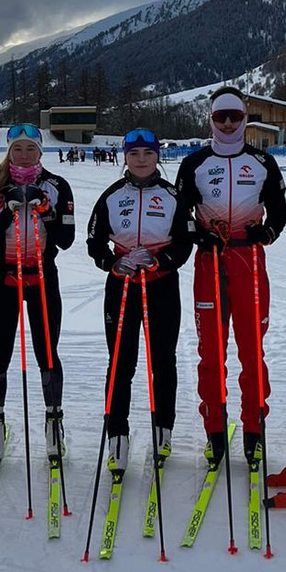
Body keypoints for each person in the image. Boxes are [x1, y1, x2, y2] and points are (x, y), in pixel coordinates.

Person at [174, 87, 286, 467]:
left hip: (248, 260)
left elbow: (280, 212)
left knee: (252, 350)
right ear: (210, 119)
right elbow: (180, 215)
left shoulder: (262, 162)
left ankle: (254, 428)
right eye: (220, 116)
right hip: (210, 261)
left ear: (244, 119)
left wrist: (266, 233)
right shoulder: (194, 163)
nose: (226, 123)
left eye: (234, 117)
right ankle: (214, 429)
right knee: (211, 352)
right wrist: (197, 233)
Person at [86, 128, 194, 471]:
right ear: (125, 157)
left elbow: (185, 242)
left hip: (161, 285)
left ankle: (163, 429)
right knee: (121, 361)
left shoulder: (173, 195)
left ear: (158, 156)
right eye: (134, 154)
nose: (141, 160)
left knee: (163, 360)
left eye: (148, 153)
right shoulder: (112, 195)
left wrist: (161, 261)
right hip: (122, 286)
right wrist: (112, 262)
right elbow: (94, 240)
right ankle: (117, 434)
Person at [0, 125, 75, 461]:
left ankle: (54, 425)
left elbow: (66, 239)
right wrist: (8, 210)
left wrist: (45, 210)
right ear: (8, 151)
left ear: (40, 152)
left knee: (47, 351)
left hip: (43, 276)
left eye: (31, 148)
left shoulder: (57, 186)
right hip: (3, 277)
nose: (24, 155)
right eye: (17, 148)